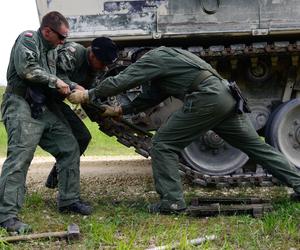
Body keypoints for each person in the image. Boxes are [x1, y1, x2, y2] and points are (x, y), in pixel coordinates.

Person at [68, 46, 300, 214]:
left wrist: (89, 94)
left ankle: (171, 202)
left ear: (143, 59)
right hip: (226, 97)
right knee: (256, 147)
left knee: (163, 144)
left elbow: (123, 81)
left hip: (206, 98)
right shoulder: (171, 59)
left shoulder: (154, 56)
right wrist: (121, 109)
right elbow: (150, 97)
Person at [0, 11, 91, 234]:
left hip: (41, 105)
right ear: (47, 31)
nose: (63, 42)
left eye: (65, 38)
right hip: (20, 101)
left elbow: (56, 78)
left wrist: (72, 86)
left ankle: (69, 200)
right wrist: (56, 80)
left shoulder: (53, 49)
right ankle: (7, 216)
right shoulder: (28, 39)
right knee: (20, 156)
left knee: (69, 146)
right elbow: (28, 70)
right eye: (61, 37)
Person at [45, 37, 118, 189]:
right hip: (41, 99)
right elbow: (53, 74)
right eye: (103, 63)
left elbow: (87, 97)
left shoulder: (95, 68)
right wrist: (74, 86)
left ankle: (57, 175)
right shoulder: (74, 52)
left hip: (56, 103)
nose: (104, 68)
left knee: (82, 137)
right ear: (92, 55)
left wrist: (103, 113)